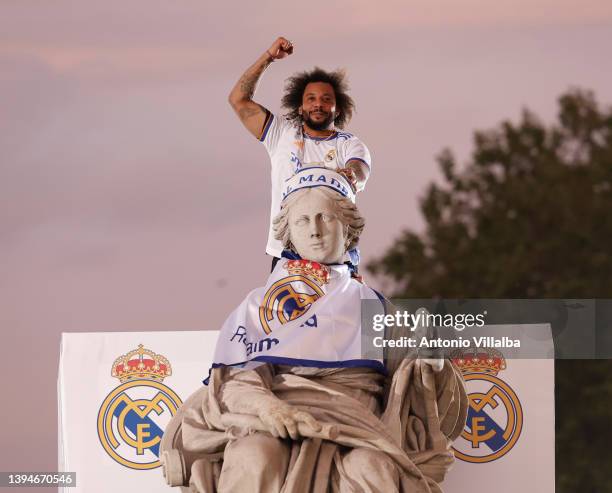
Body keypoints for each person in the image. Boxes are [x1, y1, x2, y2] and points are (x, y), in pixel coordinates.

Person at [160, 170, 467, 493]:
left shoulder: (373, 306)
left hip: (357, 429)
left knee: (372, 466)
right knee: (253, 455)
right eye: (303, 221)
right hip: (277, 421)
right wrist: (269, 408)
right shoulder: (259, 305)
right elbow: (235, 381)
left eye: (326, 218)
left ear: (347, 228)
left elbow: (414, 385)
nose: (316, 231)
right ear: (289, 233)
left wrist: (431, 363)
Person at [228, 37, 372, 268]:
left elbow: (360, 168)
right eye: (311, 99)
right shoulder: (281, 133)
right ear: (300, 107)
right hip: (287, 254)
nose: (318, 104)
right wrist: (269, 57)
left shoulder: (349, 144)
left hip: (335, 257)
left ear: (337, 110)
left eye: (326, 100)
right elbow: (238, 100)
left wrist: (352, 174)